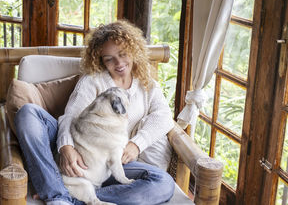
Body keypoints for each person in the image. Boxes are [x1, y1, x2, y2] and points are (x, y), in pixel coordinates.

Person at [15, 20, 175, 205]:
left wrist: (136, 144)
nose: (119, 63)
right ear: (100, 60)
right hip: (79, 159)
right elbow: (70, 117)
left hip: (116, 164)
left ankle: (77, 198)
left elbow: (164, 117)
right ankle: (58, 196)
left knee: (163, 182)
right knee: (28, 112)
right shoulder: (92, 81)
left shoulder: (148, 85)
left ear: (134, 50)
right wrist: (66, 147)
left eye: (123, 54)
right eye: (109, 58)